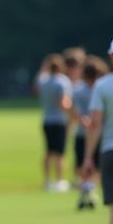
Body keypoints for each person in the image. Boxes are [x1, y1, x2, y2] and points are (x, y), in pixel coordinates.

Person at [82, 36, 113, 224]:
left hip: (111, 151)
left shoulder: (103, 85)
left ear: (111, 56)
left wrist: (88, 157)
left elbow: (95, 123)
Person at [72, 57, 107, 210]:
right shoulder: (102, 87)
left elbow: (73, 109)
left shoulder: (78, 89)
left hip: (82, 132)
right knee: (96, 166)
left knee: (83, 165)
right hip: (100, 133)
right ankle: (90, 189)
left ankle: (86, 190)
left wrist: (82, 120)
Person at [35, 54, 72, 191]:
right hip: (60, 120)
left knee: (49, 151)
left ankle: (46, 180)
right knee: (60, 153)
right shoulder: (62, 81)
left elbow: (37, 83)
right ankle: (59, 180)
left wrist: (45, 64)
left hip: (46, 120)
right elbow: (64, 102)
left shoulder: (43, 81)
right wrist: (74, 114)